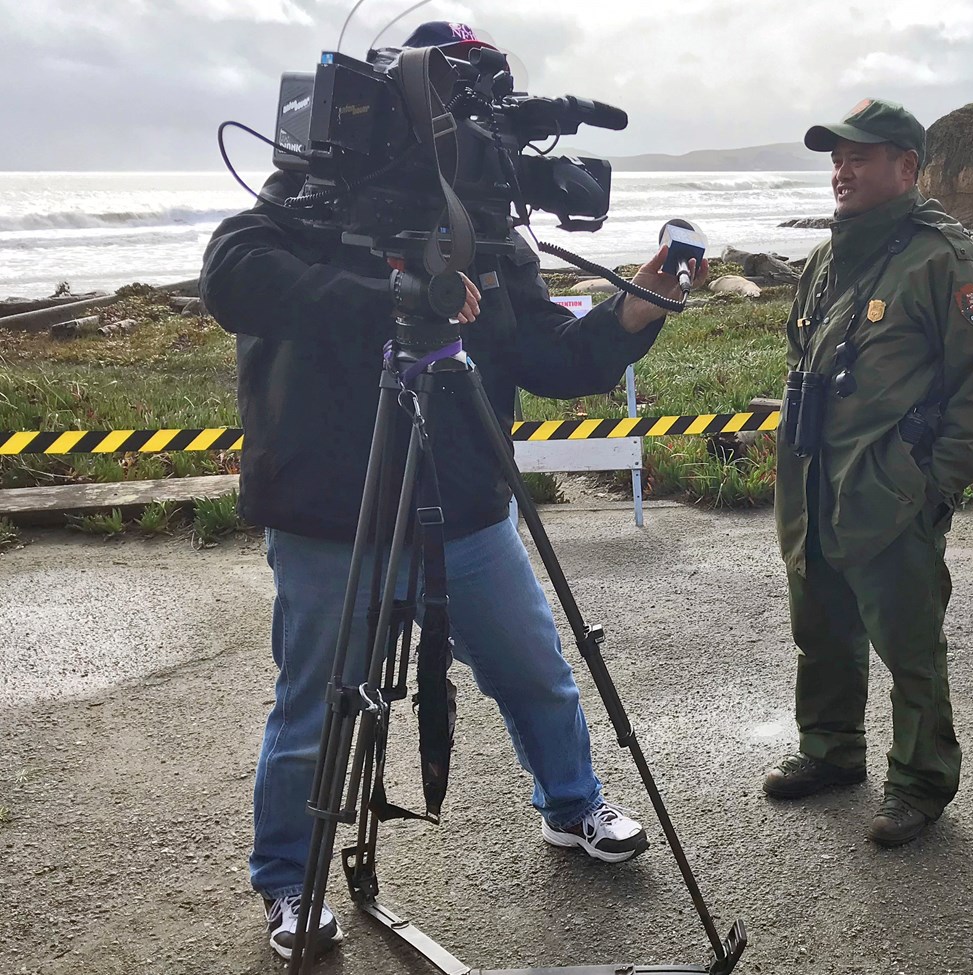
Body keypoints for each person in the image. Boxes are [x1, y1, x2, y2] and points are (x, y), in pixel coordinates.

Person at [201, 21, 704, 960]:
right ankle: (287, 881)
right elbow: (232, 274)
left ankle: (573, 807)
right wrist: (390, 300)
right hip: (329, 513)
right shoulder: (312, 192)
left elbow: (545, 355)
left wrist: (637, 308)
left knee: (537, 670)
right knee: (314, 701)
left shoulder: (484, 226)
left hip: (465, 503)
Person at [761, 99, 973, 847]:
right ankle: (830, 751)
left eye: (859, 157)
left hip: (890, 491)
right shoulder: (826, 258)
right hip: (814, 483)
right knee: (823, 629)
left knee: (909, 645)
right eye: (837, 158)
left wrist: (935, 486)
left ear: (906, 167)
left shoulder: (941, 261)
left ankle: (921, 782)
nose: (842, 170)